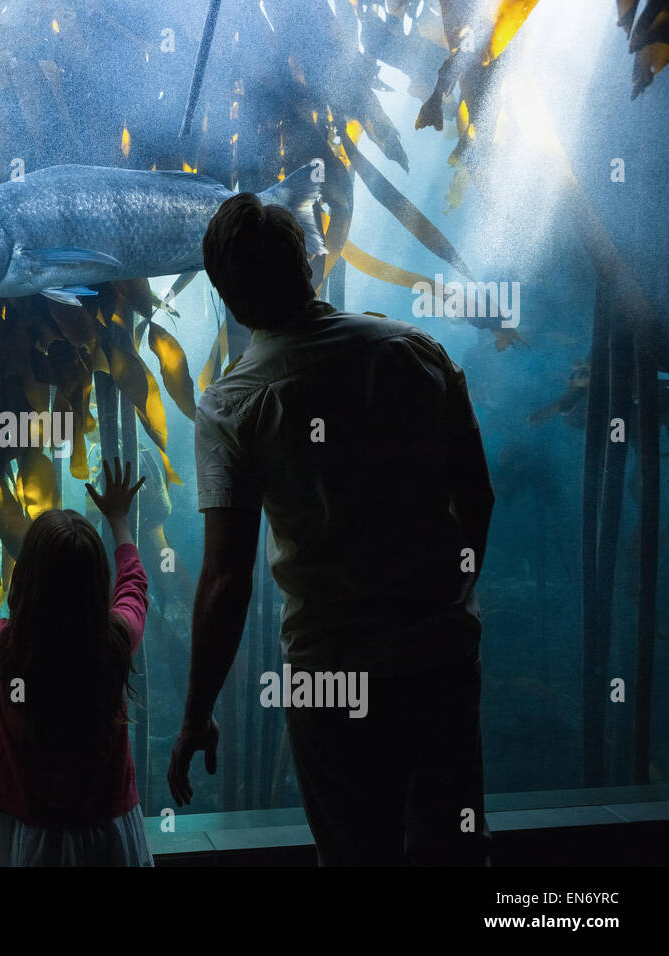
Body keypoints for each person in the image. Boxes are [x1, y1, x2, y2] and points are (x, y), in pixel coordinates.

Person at [167, 190, 495, 866]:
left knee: (354, 856)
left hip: (328, 672)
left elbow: (227, 579)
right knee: (456, 852)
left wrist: (195, 714)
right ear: (309, 267)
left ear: (228, 297)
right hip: (440, 659)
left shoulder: (230, 408)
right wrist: (449, 597)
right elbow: (478, 497)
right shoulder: (414, 351)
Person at [0, 461, 153, 866]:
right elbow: (134, 584)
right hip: (111, 835)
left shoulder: (5, 647)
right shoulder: (116, 640)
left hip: (32, 837)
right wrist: (119, 519)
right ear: (96, 584)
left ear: (25, 580)